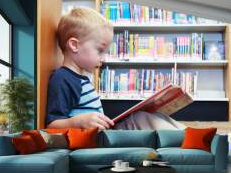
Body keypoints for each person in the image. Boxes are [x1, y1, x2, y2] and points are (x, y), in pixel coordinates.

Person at [46, 8, 185, 130]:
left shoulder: (81, 78)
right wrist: (78, 122)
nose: (104, 58)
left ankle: (192, 135)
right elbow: (51, 125)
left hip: (100, 135)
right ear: (74, 45)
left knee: (151, 116)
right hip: (92, 141)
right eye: (100, 50)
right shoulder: (62, 78)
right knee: (140, 119)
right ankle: (191, 139)